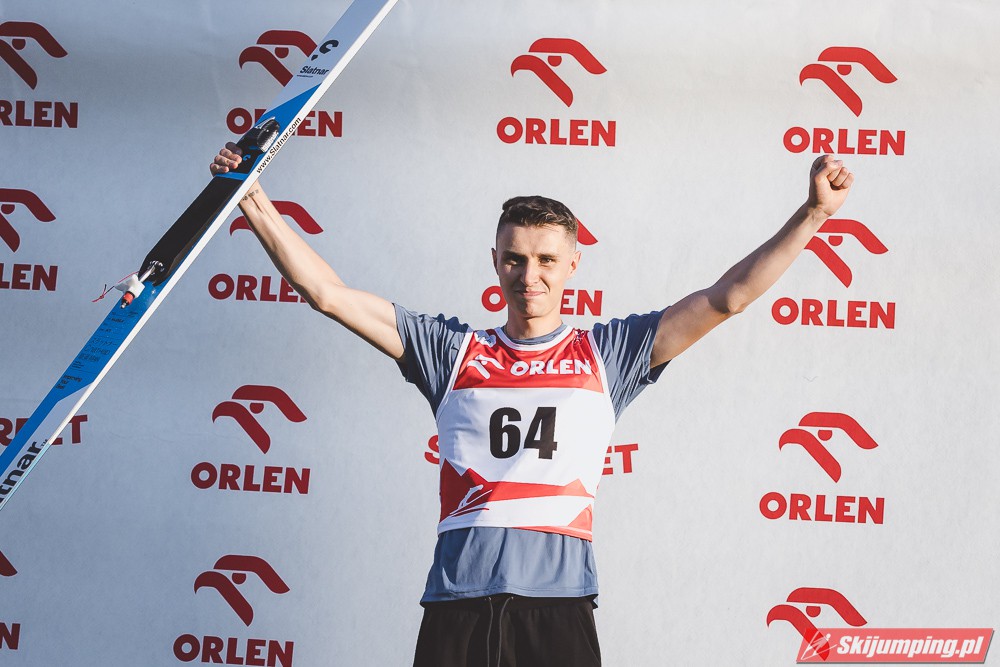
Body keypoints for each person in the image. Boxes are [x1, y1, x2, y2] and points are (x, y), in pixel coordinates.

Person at [210, 146, 853, 666]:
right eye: (515, 260)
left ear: (573, 263)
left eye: (547, 260)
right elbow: (326, 293)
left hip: (558, 607)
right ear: (495, 262)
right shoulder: (449, 352)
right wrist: (251, 198)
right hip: (457, 605)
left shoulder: (608, 354)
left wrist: (813, 215)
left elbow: (726, 299)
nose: (529, 276)